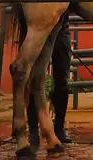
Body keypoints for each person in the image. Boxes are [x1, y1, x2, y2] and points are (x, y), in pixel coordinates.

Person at [27, 10, 72, 148]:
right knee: (34, 78)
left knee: (62, 79)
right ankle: (33, 130)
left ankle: (59, 128)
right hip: (39, 25)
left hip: (61, 26)